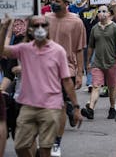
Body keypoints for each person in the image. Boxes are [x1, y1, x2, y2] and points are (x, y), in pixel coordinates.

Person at [0, 15, 82, 157]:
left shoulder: (58, 51)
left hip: (50, 106)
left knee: (45, 149)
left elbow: (67, 81)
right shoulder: (24, 49)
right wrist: (4, 28)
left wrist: (75, 107)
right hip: (27, 105)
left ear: (48, 28)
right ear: (29, 30)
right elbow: (2, 51)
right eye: (36, 26)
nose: (40, 29)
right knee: (20, 146)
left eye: (43, 26)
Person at [46, 0, 86, 156]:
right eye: (52, 0)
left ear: (66, 3)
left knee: (60, 105)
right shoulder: (46, 19)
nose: (53, 3)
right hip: (45, 68)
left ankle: (57, 142)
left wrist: (79, 73)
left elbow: (79, 50)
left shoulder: (76, 22)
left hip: (66, 68)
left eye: (57, 1)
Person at [81, 5, 116, 120]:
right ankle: (90, 109)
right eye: (99, 11)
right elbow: (90, 46)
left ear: (109, 14)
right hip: (98, 62)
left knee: (112, 87)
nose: (101, 13)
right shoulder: (95, 28)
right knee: (96, 86)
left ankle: (112, 107)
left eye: (104, 11)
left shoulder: (115, 28)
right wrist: (88, 61)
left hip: (112, 62)